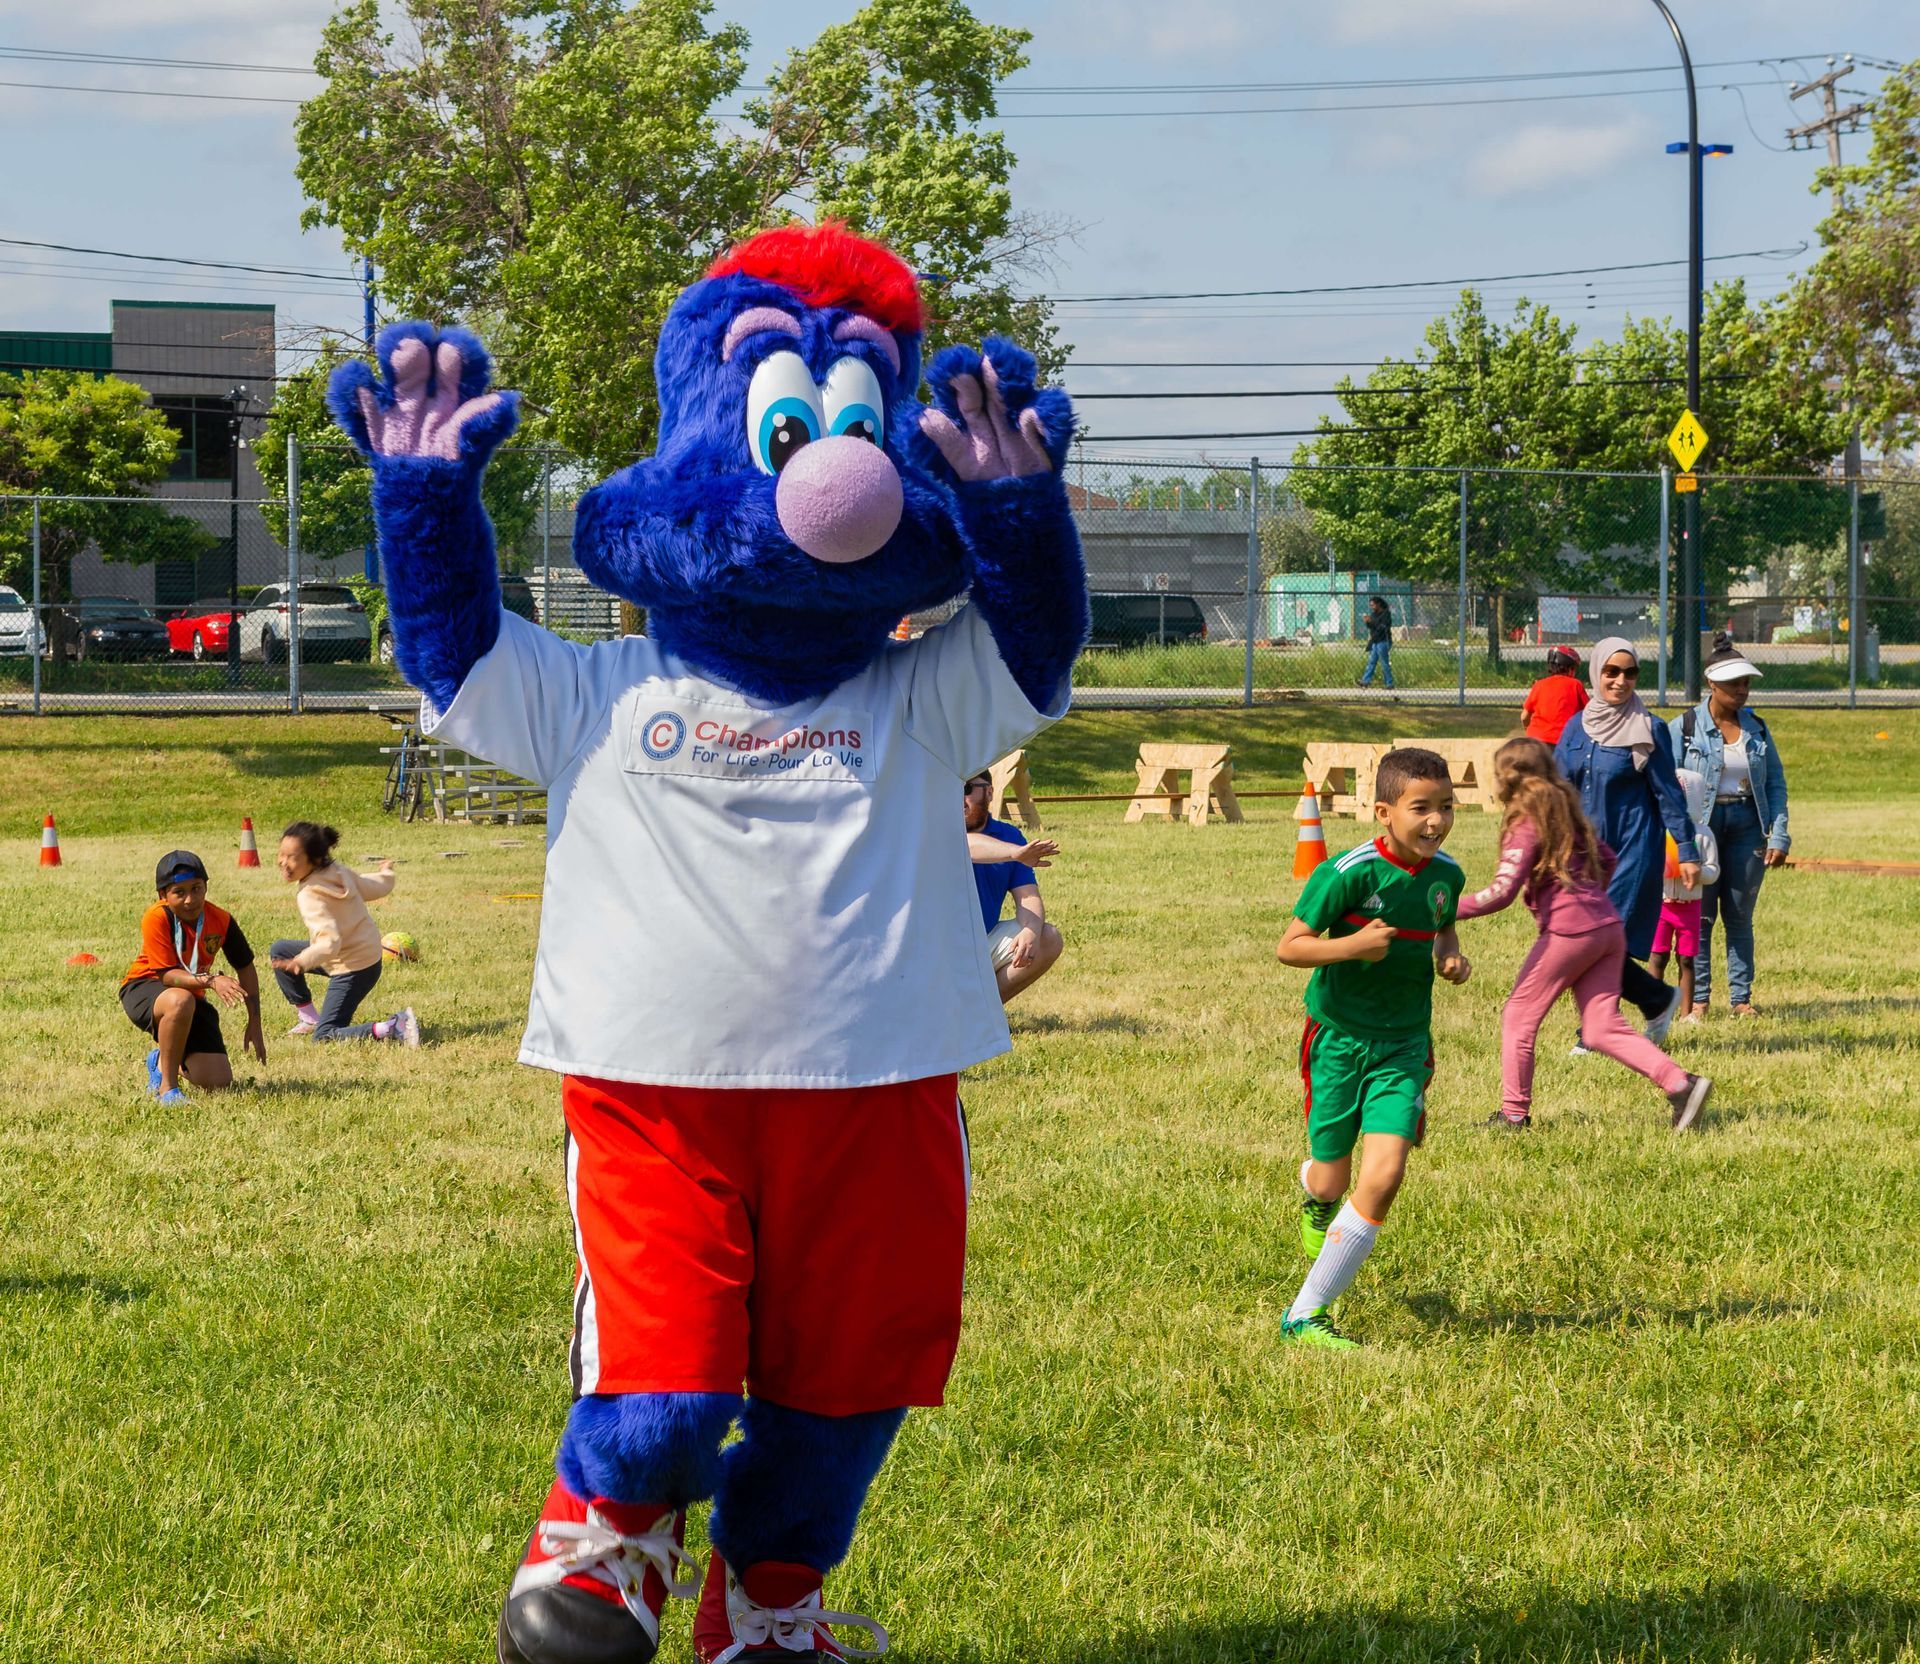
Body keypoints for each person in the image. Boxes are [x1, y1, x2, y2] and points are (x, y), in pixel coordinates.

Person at [1275, 747, 1470, 1349]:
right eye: (1421, 808)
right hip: (1337, 1039)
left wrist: (1448, 954)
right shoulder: (1347, 872)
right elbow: (1291, 946)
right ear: (1384, 811)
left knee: (1384, 1175)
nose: (1436, 820)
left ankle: (1305, 1314)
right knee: (1332, 1178)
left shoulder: (1447, 875)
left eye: (1446, 806)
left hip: (1405, 1044)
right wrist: (1351, 947)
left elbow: (1442, 924)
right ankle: (1316, 1197)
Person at [1456, 738, 1712, 1132]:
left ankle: (1513, 1114)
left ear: (1506, 779)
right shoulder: (1568, 814)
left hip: (1569, 932)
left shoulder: (1525, 823)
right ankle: (1681, 1084)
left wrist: (1446, 910)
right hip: (1607, 927)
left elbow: (1501, 892)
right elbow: (1607, 860)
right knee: (1600, 1027)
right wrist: (1589, 897)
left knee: (1518, 1017)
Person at [1554, 638, 1698, 1042]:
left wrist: (1686, 850)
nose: (1620, 681)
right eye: (1611, 672)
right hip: (1583, 856)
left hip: (1632, 852)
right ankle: (1655, 998)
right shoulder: (1575, 726)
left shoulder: (1649, 728)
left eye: (1630, 673)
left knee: (1599, 942)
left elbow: (1669, 795)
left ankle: (1594, 1031)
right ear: (1596, 673)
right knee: (1589, 941)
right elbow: (1557, 788)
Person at [1669, 634, 1790, 1016]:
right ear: (1712, 684)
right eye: (1735, 683)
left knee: (1739, 915)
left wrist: (1780, 833)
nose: (1742, 690)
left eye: (1747, 683)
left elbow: (1775, 783)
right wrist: (1676, 837)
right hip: (1701, 828)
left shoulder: (1758, 728)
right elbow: (1666, 784)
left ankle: (1741, 1000)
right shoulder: (1684, 727)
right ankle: (1699, 1000)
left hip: (1747, 824)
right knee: (1700, 916)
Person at [119, 849, 266, 1104]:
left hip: (191, 993)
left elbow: (246, 967)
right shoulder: (157, 916)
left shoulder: (221, 920)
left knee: (218, 1082)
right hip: (145, 986)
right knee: (179, 1000)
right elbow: (166, 976)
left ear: (206, 887)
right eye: (179, 892)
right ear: (163, 895)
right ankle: (168, 1089)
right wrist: (211, 981)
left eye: (196, 888)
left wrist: (254, 1022)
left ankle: (160, 1059)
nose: (190, 900)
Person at [268, 821, 419, 1046]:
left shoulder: (309, 894)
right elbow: (371, 886)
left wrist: (300, 961)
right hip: (366, 954)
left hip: (353, 968)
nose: (283, 862)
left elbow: (330, 942)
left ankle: (392, 1027)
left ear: (315, 859)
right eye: (282, 854)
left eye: (293, 857)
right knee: (280, 951)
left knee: (325, 1035)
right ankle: (309, 1018)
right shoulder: (337, 871)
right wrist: (387, 873)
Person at [964, 770, 1064, 1003]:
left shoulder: (1009, 835)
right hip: (935, 950)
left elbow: (1028, 896)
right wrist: (1013, 853)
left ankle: (981, 1014)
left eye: (967, 789)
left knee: (1047, 937)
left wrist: (1031, 930)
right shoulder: (937, 828)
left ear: (989, 792)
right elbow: (966, 846)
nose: (958, 797)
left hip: (983, 941)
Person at [1650, 768, 1718, 1024]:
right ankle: (1654, 1007)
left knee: (1687, 959)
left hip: (1690, 906)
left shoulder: (1703, 834)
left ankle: (1687, 1014)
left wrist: (1697, 872)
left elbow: (1714, 870)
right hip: (1662, 905)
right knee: (1658, 955)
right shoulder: (1659, 831)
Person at [1521, 645, 1587, 744]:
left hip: (1535, 742)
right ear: (1570, 669)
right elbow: (1589, 713)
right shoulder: (1576, 685)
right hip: (1563, 743)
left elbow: (1524, 717)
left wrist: (1528, 730)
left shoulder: (1539, 685)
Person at [1357, 595, 1395, 690]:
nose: (1372, 607)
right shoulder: (1374, 615)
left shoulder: (1386, 614)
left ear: (1378, 604)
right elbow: (1372, 627)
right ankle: (1365, 681)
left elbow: (1382, 627)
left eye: (1373, 605)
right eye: (1370, 605)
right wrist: (1367, 622)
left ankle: (1389, 683)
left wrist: (1372, 622)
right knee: (1371, 662)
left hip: (1383, 641)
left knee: (1384, 663)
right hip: (1375, 641)